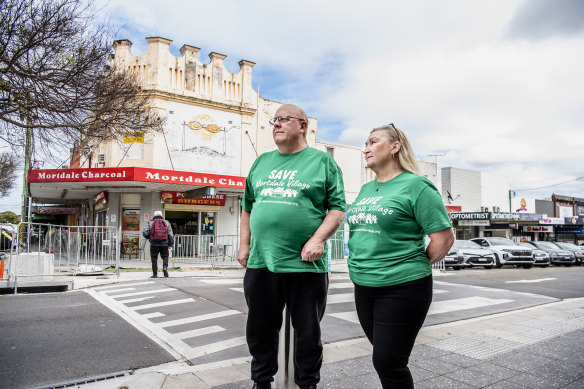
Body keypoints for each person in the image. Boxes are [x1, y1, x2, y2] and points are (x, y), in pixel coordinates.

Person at [238, 104, 346, 389]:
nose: (276, 124)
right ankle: (261, 381)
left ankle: (307, 383)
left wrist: (318, 239)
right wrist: (244, 244)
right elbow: (247, 208)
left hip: (305, 264)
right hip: (262, 261)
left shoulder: (322, 163)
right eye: (274, 120)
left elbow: (337, 209)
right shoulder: (261, 162)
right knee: (260, 328)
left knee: (307, 332)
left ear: (303, 126)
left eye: (284, 119)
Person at [347, 124, 454, 389]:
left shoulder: (417, 186)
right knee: (384, 357)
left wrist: (410, 263)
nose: (366, 148)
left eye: (373, 142)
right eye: (365, 143)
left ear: (395, 147)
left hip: (402, 288)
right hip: (364, 286)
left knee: (389, 363)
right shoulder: (365, 190)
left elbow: (443, 238)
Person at [143, 210, 174, 278]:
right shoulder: (166, 222)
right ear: (161, 215)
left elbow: (145, 232)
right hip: (164, 244)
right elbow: (170, 234)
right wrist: (170, 244)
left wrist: (150, 238)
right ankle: (165, 268)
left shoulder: (150, 222)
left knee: (154, 258)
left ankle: (155, 274)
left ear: (154, 215)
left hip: (154, 244)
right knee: (165, 256)